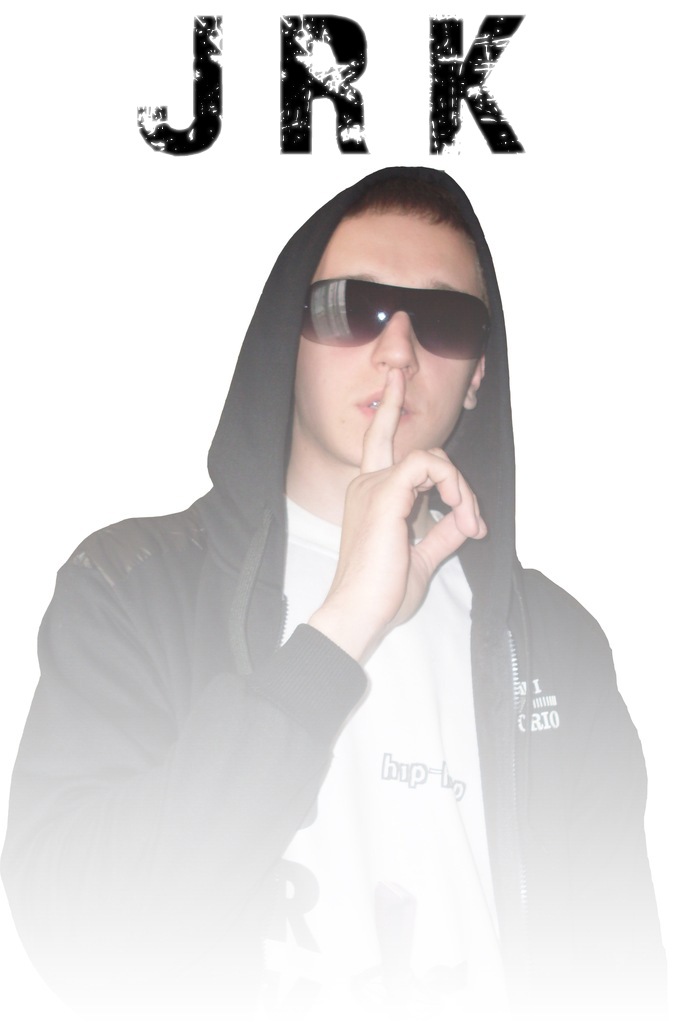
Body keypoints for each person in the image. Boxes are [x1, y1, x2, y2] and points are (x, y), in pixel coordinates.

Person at [1, 167, 666, 1023]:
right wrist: (343, 625)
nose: (398, 351)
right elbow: (82, 935)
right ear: (289, 336)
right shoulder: (136, 585)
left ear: (477, 375)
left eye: (443, 321)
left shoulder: (555, 643)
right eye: (353, 309)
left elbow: (620, 972)